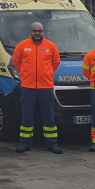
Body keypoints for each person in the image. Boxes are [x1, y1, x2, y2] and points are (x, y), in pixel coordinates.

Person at [12, 22, 62, 154]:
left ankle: (52, 144)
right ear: (31, 31)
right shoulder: (22, 46)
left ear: (43, 32)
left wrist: (46, 74)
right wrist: (25, 73)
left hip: (46, 87)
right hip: (28, 87)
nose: (37, 34)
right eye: (35, 31)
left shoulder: (51, 46)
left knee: (49, 116)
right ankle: (24, 143)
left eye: (40, 31)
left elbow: (56, 63)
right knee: (27, 116)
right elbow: (16, 62)